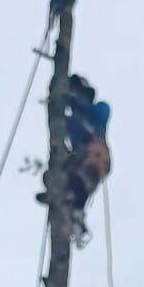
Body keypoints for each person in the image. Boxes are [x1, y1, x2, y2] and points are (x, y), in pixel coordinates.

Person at [38, 74, 111, 208]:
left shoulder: (100, 108)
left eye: (77, 90)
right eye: (73, 90)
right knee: (53, 173)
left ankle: (74, 197)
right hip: (80, 156)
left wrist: (73, 101)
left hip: (96, 154)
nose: (75, 93)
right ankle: (60, 194)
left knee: (82, 177)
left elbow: (101, 112)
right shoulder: (70, 122)